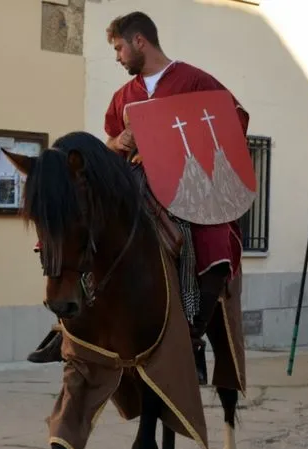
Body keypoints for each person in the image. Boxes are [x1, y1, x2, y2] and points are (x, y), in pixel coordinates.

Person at [103, 11, 249, 385]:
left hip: (189, 187)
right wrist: (119, 141)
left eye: (119, 48)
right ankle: (77, 325)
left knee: (214, 239)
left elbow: (232, 121)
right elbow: (110, 141)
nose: (117, 57)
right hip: (137, 186)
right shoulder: (124, 97)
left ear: (139, 41)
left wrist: (178, 148)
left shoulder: (194, 81)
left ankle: (194, 331)